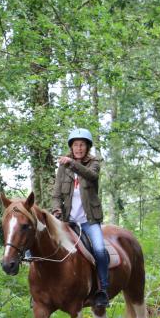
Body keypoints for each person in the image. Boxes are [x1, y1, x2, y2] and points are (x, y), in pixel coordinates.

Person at [51, 128, 109, 308]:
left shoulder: (95, 162)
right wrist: (56, 209)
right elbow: (56, 194)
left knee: (99, 250)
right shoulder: (63, 167)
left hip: (89, 221)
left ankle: (103, 289)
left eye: (82, 144)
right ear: (71, 147)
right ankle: (47, 290)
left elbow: (91, 176)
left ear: (87, 147)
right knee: (48, 246)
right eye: (75, 145)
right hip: (68, 221)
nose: (78, 148)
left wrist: (71, 164)